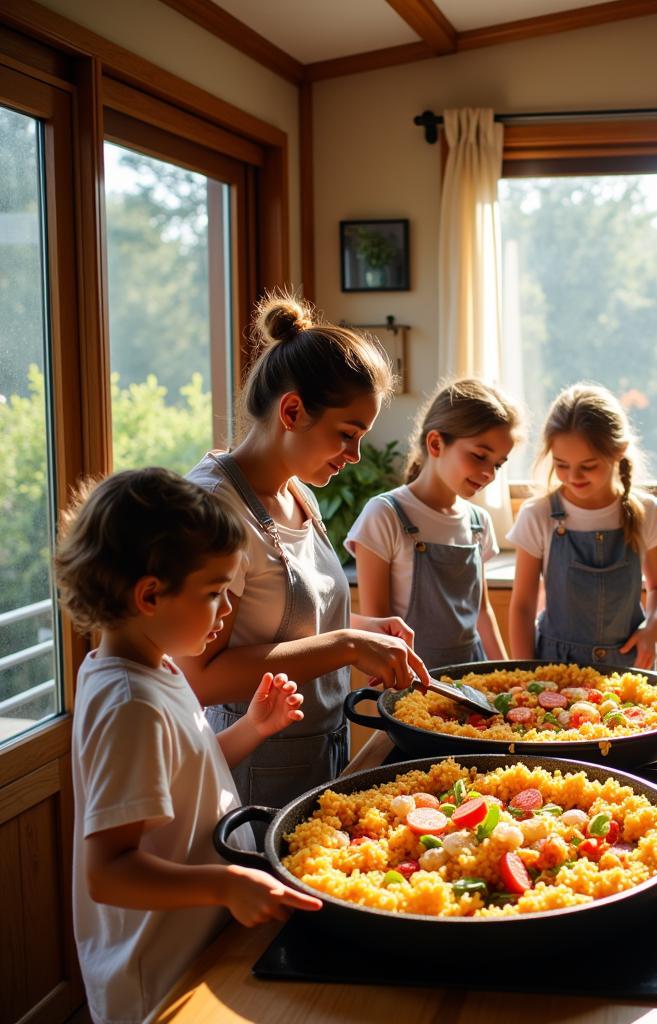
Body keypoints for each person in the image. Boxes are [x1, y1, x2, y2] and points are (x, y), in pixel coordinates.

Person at [54, 468, 322, 1024]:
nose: (227, 610)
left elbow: (184, 776)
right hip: (157, 972)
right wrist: (225, 883)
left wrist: (251, 728)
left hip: (200, 940)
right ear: (150, 594)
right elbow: (108, 871)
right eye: (214, 593)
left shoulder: (155, 668)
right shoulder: (131, 703)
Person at [181, 293, 428, 808]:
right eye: (347, 434)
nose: (355, 456)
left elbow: (278, 620)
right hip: (250, 773)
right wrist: (345, 647)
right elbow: (198, 677)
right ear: (292, 410)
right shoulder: (212, 508)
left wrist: (363, 629)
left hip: (319, 757)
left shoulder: (298, 492)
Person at [346, 379, 521, 668]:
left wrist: (508, 674)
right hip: (415, 684)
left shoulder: (479, 522)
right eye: (479, 455)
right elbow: (377, 632)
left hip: (475, 679)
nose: (489, 473)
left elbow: (482, 613)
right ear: (436, 443)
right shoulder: (384, 515)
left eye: (498, 464)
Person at [507, 382, 657, 669]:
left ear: (618, 452)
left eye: (588, 465)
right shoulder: (538, 514)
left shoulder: (647, 512)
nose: (573, 476)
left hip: (629, 665)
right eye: (561, 464)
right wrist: (523, 673)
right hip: (553, 666)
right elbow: (523, 606)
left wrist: (651, 630)